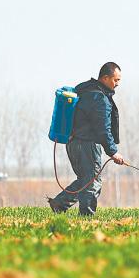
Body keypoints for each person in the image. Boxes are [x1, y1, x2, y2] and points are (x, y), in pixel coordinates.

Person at [47, 62, 125, 215]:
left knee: (85, 180)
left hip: (72, 143)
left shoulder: (83, 89)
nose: (117, 84)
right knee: (92, 182)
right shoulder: (100, 99)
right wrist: (113, 152)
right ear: (105, 78)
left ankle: (59, 204)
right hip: (87, 144)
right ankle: (87, 217)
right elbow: (103, 129)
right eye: (116, 80)